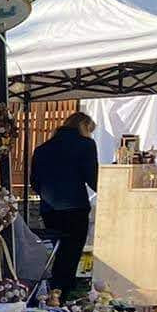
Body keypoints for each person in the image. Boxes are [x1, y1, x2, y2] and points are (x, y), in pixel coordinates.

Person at [30, 111, 98, 302]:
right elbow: (92, 177)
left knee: (59, 249)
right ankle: (61, 292)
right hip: (75, 206)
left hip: (50, 209)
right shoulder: (86, 145)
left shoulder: (42, 149)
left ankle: (54, 290)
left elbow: (35, 182)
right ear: (84, 127)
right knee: (71, 252)